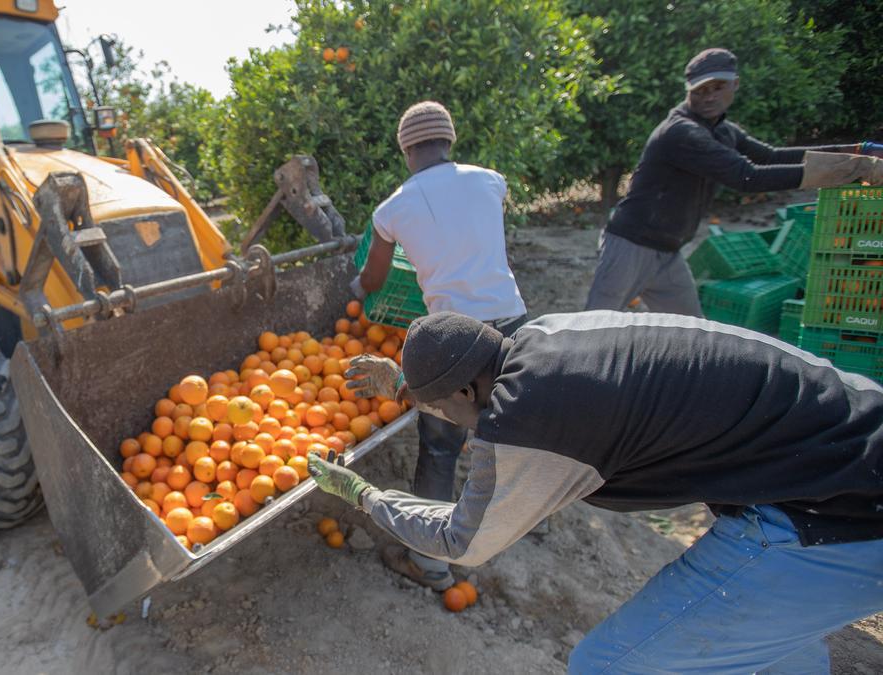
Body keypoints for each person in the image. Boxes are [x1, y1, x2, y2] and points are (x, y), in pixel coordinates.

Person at [311, 310, 882, 673]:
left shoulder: (522, 425)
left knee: (607, 666)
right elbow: (464, 387)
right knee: (769, 652)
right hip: (855, 434)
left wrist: (363, 493)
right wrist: (411, 386)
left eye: (444, 414)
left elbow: (462, 541)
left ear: (466, 389)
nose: (453, 427)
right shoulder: (543, 336)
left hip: (833, 515)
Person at [350, 100, 528, 591]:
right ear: (449, 141)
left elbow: (376, 276)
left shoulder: (392, 208)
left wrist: (358, 287)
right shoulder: (491, 180)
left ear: (406, 150)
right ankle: (518, 522)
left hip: (456, 342)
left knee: (441, 446)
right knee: (514, 430)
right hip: (512, 321)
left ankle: (430, 564)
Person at [585, 48, 883, 316]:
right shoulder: (681, 132)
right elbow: (747, 176)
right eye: (701, 90)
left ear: (735, 85)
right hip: (629, 246)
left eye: (718, 87)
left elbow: (769, 156)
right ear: (689, 90)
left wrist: (854, 151)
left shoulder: (724, 131)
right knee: (590, 332)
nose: (710, 96)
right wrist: (847, 170)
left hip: (668, 252)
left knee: (692, 334)